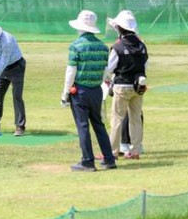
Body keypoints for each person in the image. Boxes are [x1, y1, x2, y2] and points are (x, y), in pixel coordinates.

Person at [61, 10, 117, 171]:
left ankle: (87, 161)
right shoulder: (102, 47)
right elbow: (106, 72)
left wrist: (65, 93)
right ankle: (109, 159)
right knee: (99, 125)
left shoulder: (76, 46)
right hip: (96, 91)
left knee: (83, 126)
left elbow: (71, 72)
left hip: (80, 91)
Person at [104, 10, 148, 161]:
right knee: (136, 119)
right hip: (138, 86)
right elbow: (145, 65)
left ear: (119, 28)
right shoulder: (142, 45)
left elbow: (109, 69)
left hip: (122, 86)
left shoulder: (118, 46)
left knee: (117, 119)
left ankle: (113, 152)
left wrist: (108, 80)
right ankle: (135, 151)